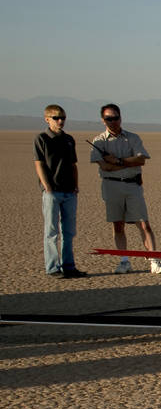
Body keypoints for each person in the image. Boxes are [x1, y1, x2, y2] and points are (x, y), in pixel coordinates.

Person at [89, 103, 161, 274]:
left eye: (115, 117)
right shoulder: (99, 141)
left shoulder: (133, 138)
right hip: (111, 186)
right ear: (103, 120)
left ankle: (154, 260)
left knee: (144, 224)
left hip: (133, 185)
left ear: (121, 118)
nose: (113, 121)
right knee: (118, 225)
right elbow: (104, 167)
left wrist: (117, 161)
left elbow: (141, 160)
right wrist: (125, 163)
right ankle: (124, 261)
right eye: (109, 118)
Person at [33, 104, 87, 278]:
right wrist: (47, 186)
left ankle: (69, 266)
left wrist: (76, 185)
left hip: (69, 191)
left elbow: (73, 165)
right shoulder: (42, 139)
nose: (60, 121)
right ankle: (53, 268)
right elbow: (39, 163)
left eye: (63, 117)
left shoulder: (69, 139)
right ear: (47, 119)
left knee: (69, 232)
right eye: (56, 118)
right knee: (51, 232)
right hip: (52, 191)